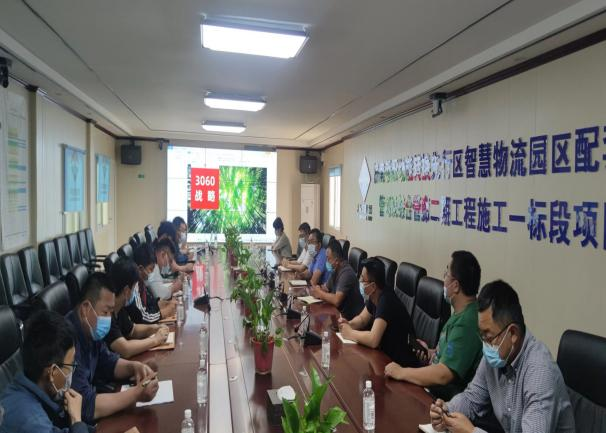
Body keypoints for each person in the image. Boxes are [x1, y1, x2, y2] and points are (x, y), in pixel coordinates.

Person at [430, 280, 575, 433]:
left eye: (488, 336)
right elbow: (472, 399)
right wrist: (446, 410)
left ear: (512, 333)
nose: (485, 344)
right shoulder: (496, 354)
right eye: (481, 335)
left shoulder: (540, 372)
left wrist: (471, 432)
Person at [385, 251, 483, 400]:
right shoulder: (461, 312)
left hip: (444, 399)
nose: (444, 279)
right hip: (434, 385)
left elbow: (444, 374)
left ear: (456, 286)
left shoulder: (467, 324)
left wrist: (401, 372)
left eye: (446, 274)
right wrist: (430, 353)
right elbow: (450, 353)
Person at [67, 273, 159, 424]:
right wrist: (136, 394)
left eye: (111, 312)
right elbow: (85, 405)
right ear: (85, 308)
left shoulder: (90, 330)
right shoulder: (67, 341)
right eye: (105, 312)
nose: (108, 318)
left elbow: (108, 362)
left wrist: (134, 367)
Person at [0, 310, 92, 433]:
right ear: (53, 372)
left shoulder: (26, 387)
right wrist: (76, 419)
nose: (72, 370)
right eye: (71, 365)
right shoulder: (31, 420)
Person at [339, 258, 416, 366]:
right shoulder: (374, 295)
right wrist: (348, 324)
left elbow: (373, 340)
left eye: (363, 279)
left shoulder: (386, 300)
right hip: (385, 355)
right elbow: (362, 320)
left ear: (373, 286)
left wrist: (350, 333)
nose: (359, 281)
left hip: (400, 363)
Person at [105, 257, 170, 359]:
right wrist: (155, 340)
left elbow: (133, 330)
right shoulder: (107, 313)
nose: (135, 293)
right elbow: (125, 349)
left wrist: (155, 328)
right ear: (126, 291)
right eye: (134, 289)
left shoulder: (120, 307)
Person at [310, 239, 364, 320]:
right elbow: (326, 288)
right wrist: (318, 289)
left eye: (328, 258)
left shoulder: (347, 273)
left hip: (350, 319)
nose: (326, 261)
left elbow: (336, 300)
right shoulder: (335, 269)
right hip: (338, 314)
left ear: (337, 260)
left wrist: (320, 293)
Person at [128, 244, 176, 324]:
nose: (152, 272)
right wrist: (164, 313)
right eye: (150, 269)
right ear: (140, 269)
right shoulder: (134, 284)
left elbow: (150, 303)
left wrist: (162, 304)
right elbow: (142, 316)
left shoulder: (141, 282)